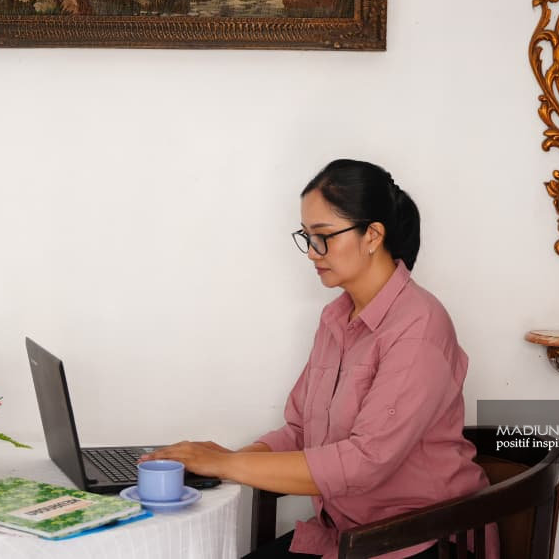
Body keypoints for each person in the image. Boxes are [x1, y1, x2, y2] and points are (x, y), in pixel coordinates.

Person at [141, 159, 494, 559]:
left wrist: (225, 466)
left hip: (422, 540)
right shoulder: (335, 319)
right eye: (306, 236)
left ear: (372, 235)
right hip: (347, 535)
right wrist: (224, 460)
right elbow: (300, 432)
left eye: (323, 236)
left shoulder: (420, 325)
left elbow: (364, 463)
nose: (311, 252)